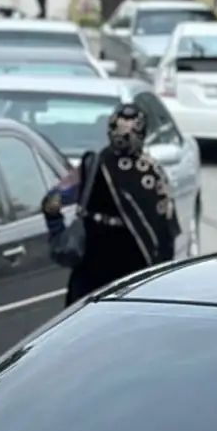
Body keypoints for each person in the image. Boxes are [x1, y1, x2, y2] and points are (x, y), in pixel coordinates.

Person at [41, 101, 178, 306]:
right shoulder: (151, 173)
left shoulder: (93, 164)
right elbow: (166, 230)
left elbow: (51, 202)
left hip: (90, 268)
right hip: (135, 273)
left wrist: (58, 233)